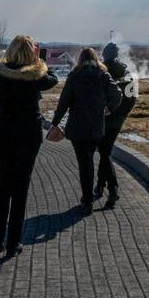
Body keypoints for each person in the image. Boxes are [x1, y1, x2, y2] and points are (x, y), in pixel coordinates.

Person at [0, 36, 57, 257]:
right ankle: (13, 243)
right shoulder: (35, 76)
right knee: (20, 189)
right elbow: (52, 79)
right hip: (28, 134)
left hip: (5, 134)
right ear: (31, 53)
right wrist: (40, 61)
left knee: (2, 189)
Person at [51, 47, 120, 215]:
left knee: (85, 164)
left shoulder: (74, 76)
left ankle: (87, 201)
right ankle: (102, 194)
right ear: (96, 58)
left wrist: (55, 121)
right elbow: (117, 94)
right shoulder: (103, 75)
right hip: (97, 127)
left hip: (77, 128)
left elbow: (64, 101)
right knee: (92, 159)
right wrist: (109, 108)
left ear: (80, 59)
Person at [95, 42, 139, 206]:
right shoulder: (127, 73)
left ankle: (112, 189)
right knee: (105, 151)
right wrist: (121, 115)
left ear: (105, 55)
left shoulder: (101, 71)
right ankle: (100, 185)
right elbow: (132, 98)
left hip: (103, 118)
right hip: (117, 120)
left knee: (104, 152)